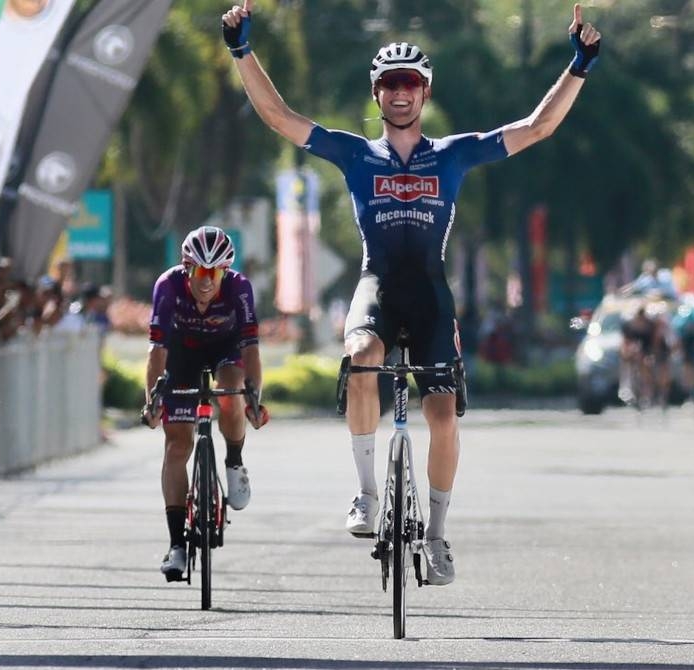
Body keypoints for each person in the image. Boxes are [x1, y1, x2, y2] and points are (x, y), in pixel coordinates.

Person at [222, 1, 600, 585]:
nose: (401, 92)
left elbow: (538, 127)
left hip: (429, 293)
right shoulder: (353, 153)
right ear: (377, 95)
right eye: (390, 84)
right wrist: (241, 50)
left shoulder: (452, 153)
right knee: (362, 358)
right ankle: (367, 494)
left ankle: (439, 536)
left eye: (411, 83)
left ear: (425, 93)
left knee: (443, 416)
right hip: (377, 287)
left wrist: (580, 64)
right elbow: (278, 115)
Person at [141, 225, 270, 581]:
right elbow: (157, 352)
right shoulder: (167, 286)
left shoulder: (239, 288)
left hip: (224, 350)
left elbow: (251, 348)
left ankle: (234, 461)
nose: (207, 280)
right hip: (181, 355)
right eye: (200, 271)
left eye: (215, 272)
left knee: (231, 391)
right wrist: (152, 402)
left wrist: (254, 398)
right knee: (177, 445)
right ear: (188, 269)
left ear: (224, 271)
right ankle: (177, 545)